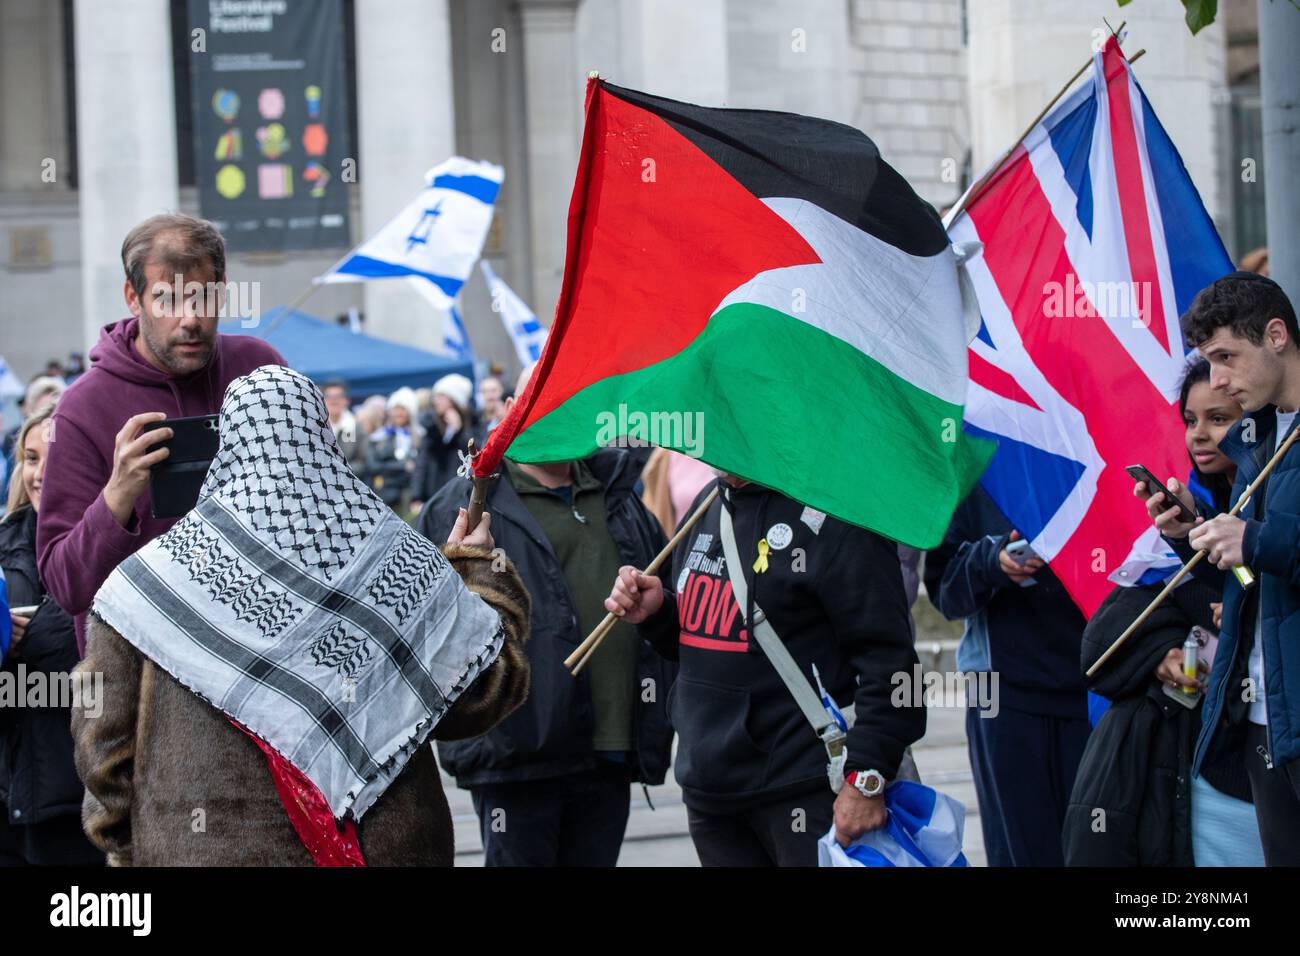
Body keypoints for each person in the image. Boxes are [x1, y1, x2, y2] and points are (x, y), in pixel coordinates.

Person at [71, 366, 530, 866]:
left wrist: (132, 844)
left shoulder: (144, 589)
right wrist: (477, 572)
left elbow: (104, 748)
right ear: (324, 437)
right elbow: (485, 692)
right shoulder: (399, 564)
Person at [419, 365, 675, 867]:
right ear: (518, 406)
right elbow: (428, 632)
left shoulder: (617, 490)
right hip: (518, 758)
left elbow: (668, 600)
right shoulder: (468, 503)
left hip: (611, 746)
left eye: (575, 403)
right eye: (547, 400)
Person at [605, 472, 923, 867]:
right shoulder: (708, 502)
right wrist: (658, 614)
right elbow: (708, 642)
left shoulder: (838, 517)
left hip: (806, 791)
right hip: (711, 793)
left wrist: (866, 780)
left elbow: (893, 668)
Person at [36, 212, 284, 655]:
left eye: (202, 299)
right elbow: (65, 586)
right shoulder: (81, 409)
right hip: (144, 689)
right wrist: (117, 496)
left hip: (266, 664)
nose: (189, 319)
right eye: (168, 300)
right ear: (134, 297)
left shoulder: (262, 371)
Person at [1064, 358, 1262, 866]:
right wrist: (1166, 649)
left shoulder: (1273, 502)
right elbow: (1101, 644)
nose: (1199, 435)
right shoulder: (1190, 513)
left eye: (1218, 419)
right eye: (1190, 420)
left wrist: (1238, 599)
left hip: (1263, 765)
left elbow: (1254, 583)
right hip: (1201, 773)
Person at [1138, 272, 1300, 865]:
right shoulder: (1260, 436)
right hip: (1265, 716)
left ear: (1277, 335)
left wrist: (1254, 538)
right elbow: (1255, 585)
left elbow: (1267, 550)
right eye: (1210, 360)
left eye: (1227, 357)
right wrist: (1193, 540)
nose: (1221, 380)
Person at [924, 484, 1090, 866]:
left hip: (1094, 688)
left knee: (1096, 847)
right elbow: (945, 591)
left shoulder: (1089, 454)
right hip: (1001, 696)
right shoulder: (974, 471)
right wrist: (990, 562)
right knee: (1019, 853)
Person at [1, 403, 104, 866]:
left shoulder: (116, 543)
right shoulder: (3, 544)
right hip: (10, 795)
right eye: (30, 457)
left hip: (84, 800)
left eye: (54, 456)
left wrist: (29, 638)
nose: (40, 472)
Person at [411, 374, 474, 511]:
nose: (435, 401)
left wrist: (459, 432)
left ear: (453, 399)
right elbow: (421, 464)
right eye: (435, 396)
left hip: (460, 497)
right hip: (433, 497)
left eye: (441, 396)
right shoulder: (431, 427)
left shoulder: (472, 423)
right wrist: (416, 496)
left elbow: (474, 455)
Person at [366, 387, 422, 511]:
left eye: (402, 409)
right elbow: (373, 466)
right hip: (385, 493)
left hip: (409, 495)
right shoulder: (380, 437)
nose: (398, 413)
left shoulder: (419, 436)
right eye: (395, 409)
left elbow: (419, 467)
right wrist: (402, 466)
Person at [321, 379, 368, 474]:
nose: (334, 401)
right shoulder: (316, 426)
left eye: (338, 396)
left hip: (351, 480)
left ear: (346, 400)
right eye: (329, 397)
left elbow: (364, 461)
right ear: (322, 400)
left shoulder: (356, 427)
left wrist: (343, 471)